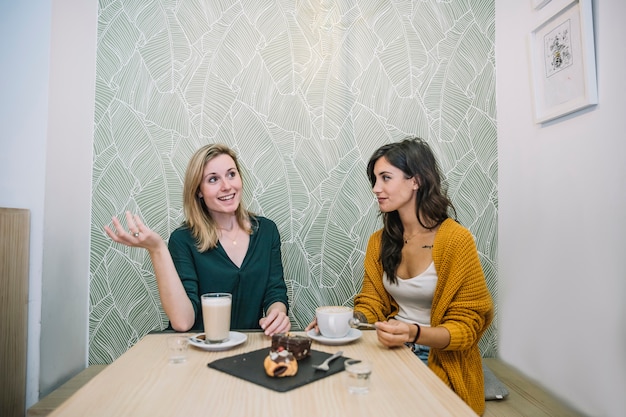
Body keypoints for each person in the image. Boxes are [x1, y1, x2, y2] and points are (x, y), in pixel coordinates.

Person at [307, 137, 493, 415]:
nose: (376, 189)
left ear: (415, 181)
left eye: (385, 178)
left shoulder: (456, 241)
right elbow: (372, 304)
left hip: (438, 358)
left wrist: (414, 333)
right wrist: (344, 322)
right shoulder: (379, 242)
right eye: (375, 179)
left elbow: (468, 328)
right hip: (390, 350)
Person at [104, 143, 291, 336]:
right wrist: (157, 249)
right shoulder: (183, 239)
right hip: (197, 351)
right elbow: (183, 322)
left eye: (231, 174)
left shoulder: (267, 231)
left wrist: (276, 315)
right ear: (199, 190)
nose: (227, 186)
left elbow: (274, 292)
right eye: (213, 179)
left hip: (247, 349)